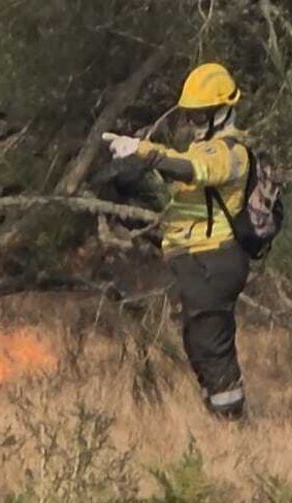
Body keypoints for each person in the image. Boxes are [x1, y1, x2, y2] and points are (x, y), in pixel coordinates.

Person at [103, 63, 251, 419]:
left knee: (211, 345)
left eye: (201, 113)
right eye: (192, 113)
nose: (194, 121)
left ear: (223, 110)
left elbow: (190, 169)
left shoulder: (229, 152)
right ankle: (219, 416)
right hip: (198, 261)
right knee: (198, 341)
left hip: (213, 259)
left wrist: (144, 151)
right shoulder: (205, 147)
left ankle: (233, 427)